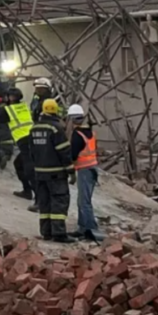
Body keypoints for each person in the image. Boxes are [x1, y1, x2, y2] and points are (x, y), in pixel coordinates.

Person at [30, 99, 76, 243]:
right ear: (56, 111)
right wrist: (71, 171)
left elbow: (31, 152)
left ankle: (46, 232)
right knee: (59, 201)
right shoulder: (56, 128)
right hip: (56, 173)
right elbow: (63, 151)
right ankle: (59, 234)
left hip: (40, 173)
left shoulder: (34, 128)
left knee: (45, 203)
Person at [0, 88, 34, 199]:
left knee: (29, 169)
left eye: (7, 96)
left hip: (24, 141)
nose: (5, 98)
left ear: (11, 97)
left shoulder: (8, 110)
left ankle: (39, 199)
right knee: (19, 164)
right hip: (31, 139)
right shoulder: (23, 106)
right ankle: (27, 191)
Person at [67, 104, 103, 242]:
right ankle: (83, 228)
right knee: (83, 200)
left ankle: (90, 229)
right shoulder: (90, 132)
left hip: (85, 170)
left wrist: (68, 168)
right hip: (92, 169)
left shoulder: (77, 135)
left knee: (84, 202)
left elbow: (73, 155)